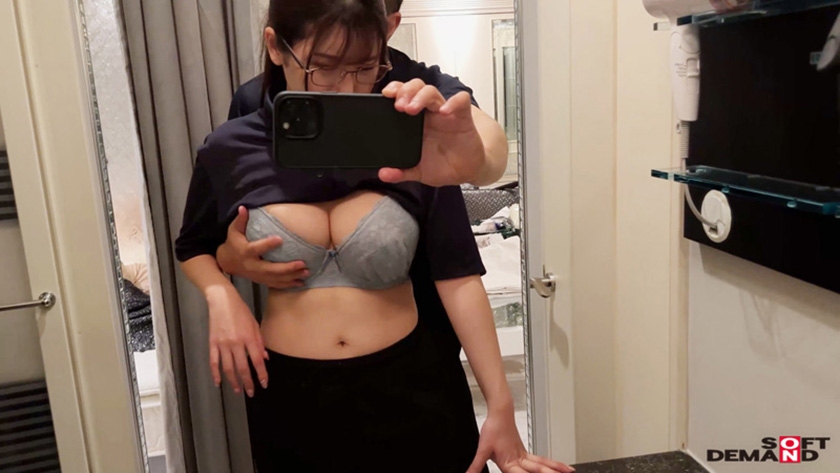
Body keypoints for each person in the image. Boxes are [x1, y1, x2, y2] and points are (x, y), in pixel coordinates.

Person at [175, 1, 573, 472]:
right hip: (292, 400)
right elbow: (194, 245)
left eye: (365, 68)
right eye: (324, 69)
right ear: (276, 48)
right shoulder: (230, 147)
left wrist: (500, 407)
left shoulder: (414, 140)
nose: (348, 89)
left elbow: (458, 273)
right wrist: (221, 294)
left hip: (413, 388)